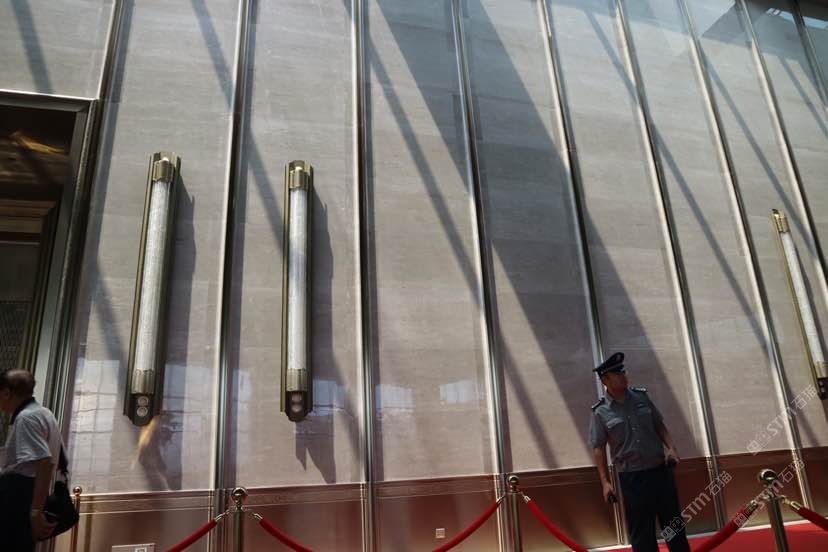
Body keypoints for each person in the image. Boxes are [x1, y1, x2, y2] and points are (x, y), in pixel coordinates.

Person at [587, 352, 690, 552]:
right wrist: (605, 482)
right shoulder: (600, 411)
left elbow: (659, 425)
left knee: (674, 526)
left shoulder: (641, 397)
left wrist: (671, 448)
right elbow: (598, 447)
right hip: (632, 478)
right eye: (618, 374)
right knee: (642, 532)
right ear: (605, 380)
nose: (624, 376)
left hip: (660, 471)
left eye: (624, 372)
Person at [0, 369, 61, 551]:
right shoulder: (43, 412)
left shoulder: (26, 418)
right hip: (27, 492)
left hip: (20, 495)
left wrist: (35, 512)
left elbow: (45, 462)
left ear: (6, 393)